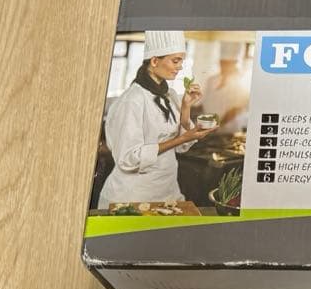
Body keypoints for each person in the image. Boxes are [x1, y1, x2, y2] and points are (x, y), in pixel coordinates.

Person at [97, 30, 212, 208]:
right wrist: (183, 138)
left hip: (167, 189)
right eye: (175, 61)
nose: (180, 67)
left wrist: (186, 106)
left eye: (181, 61)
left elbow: (181, 147)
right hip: (133, 195)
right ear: (154, 61)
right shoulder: (131, 101)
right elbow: (128, 159)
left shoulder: (170, 94)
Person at [197, 40, 250, 135]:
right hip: (208, 128)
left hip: (229, 131)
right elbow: (205, 102)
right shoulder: (211, 80)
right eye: (223, 63)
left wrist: (219, 125)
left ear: (235, 63)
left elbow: (236, 109)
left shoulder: (240, 82)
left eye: (228, 63)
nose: (224, 66)